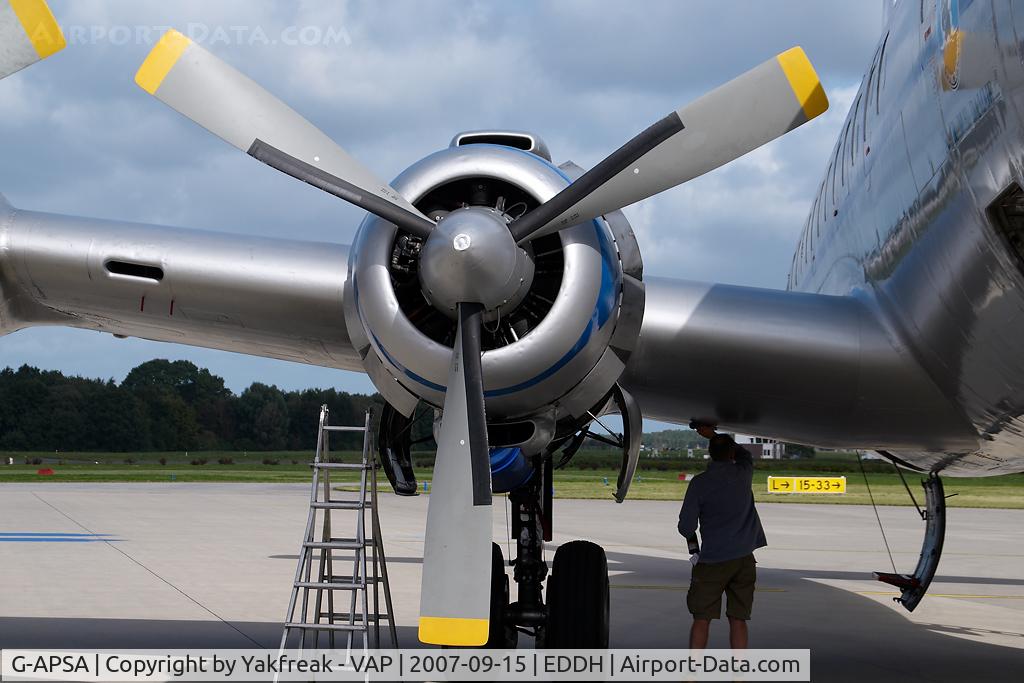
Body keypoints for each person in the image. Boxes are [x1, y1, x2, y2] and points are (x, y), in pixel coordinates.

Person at [678, 423, 767, 649]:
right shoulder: (743, 473)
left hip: (713, 560)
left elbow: (686, 526)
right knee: (738, 620)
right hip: (744, 559)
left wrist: (693, 549)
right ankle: (738, 674)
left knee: (702, 619)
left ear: (711, 455)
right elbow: (745, 454)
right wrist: (713, 435)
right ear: (731, 454)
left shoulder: (699, 483)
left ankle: (692, 674)